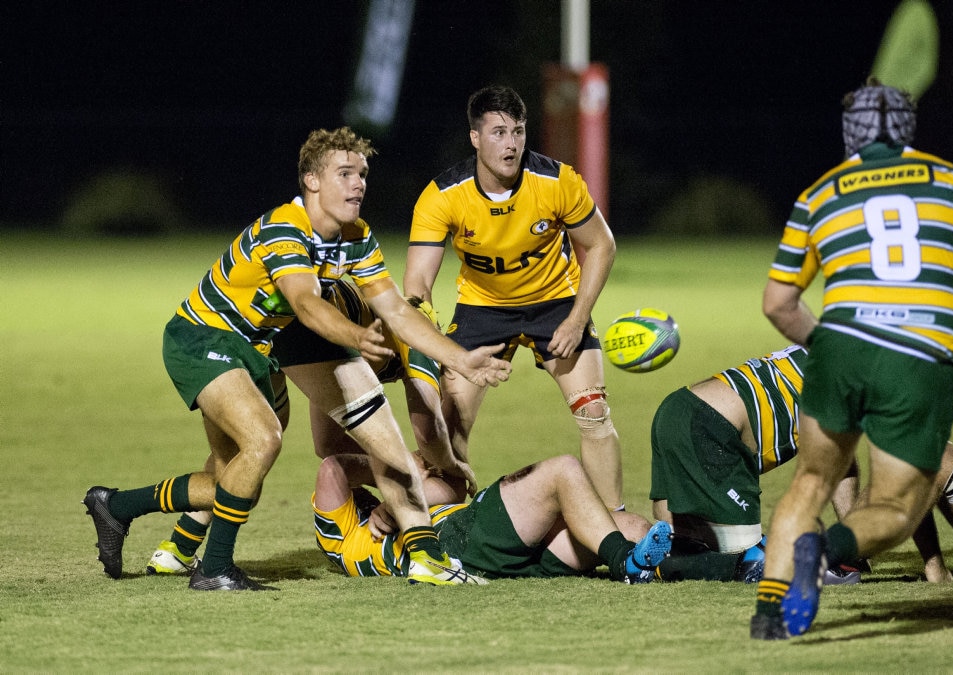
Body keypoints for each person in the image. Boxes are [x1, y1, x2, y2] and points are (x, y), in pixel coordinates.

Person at [84, 127, 511, 591]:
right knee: (264, 440)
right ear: (311, 180)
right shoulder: (285, 229)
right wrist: (356, 338)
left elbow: (395, 310)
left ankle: (119, 507)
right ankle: (215, 569)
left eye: (363, 174)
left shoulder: (356, 235)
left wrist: (464, 362)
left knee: (235, 476)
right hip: (204, 339)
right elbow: (306, 304)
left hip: (265, 348)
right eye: (344, 173)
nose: (358, 184)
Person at [749, 80, 953, 639]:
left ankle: (770, 615)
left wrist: (827, 346)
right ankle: (823, 550)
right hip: (918, 357)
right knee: (897, 509)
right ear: (908, 128)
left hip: (841, 349)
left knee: (810, 483)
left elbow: (778, 304)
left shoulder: (818, 194)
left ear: (849, 133)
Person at [146, 281, 475, 575]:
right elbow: (428, 432)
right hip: (302, 327)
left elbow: (327, 444)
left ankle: (177, 548)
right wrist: (448, 466)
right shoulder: (422, 336)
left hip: (271, 325)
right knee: (258, 448)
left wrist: (399, 470)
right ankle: (428, 560)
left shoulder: (363, 338)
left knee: (246, 448)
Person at [403, 85, 624, 509]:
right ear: (475, 138)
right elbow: (417, 287)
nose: (511, 144)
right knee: (448, 429)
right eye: (499, 133)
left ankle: (616, 526)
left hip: (556, 303)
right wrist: (435, 343)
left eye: (518, 132)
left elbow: (601, 245)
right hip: (483, 309)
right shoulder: (442, 195)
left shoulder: (557, 181)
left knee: (594, 413)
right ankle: (449, 522)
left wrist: (577, 318)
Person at [649, 345, 953, 587]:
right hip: (715, 429)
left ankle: (649, 560)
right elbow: (912, 471)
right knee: (755, 565)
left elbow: (846, 466)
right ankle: (664, 566)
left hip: (679, 408)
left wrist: (854, 549)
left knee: (676, 539)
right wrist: (934, 565)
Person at [312, 451, 672, 583]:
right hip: (459, 544)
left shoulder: (412, 506)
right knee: (561, 471)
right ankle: (627, 564)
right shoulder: (344, 538)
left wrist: (399, 494)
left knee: (632, 528)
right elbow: (332, 468)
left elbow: (453, 487)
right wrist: (396, 471)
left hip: (501, 555)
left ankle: (716, 566)